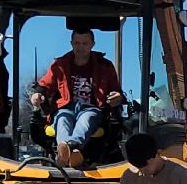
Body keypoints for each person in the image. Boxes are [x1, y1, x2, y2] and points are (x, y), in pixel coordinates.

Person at [30, 27, 124, 168]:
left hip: (91, 108)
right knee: (62, 120)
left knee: (85, 120)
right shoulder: (59, 65)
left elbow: (116, 92)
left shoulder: (105, 66)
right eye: (77, 43)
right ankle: (73, 153)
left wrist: (117, 97)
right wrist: (38, 94)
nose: (80, 47)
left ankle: (66, 151)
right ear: (71, 43)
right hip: (65, 107)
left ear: (92, 44)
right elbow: (45, 85)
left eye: (85, 43)